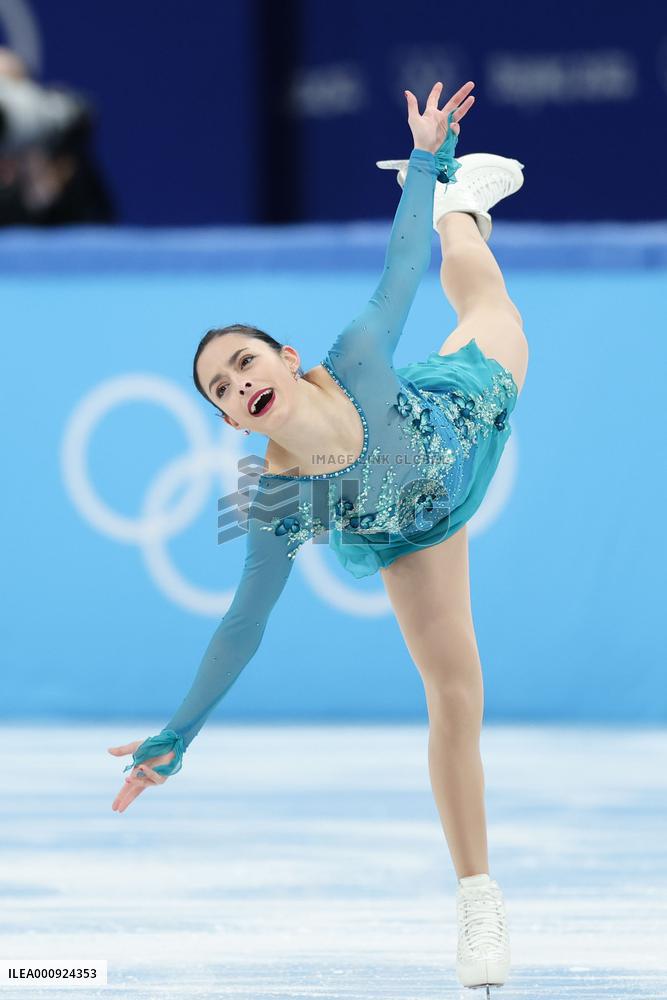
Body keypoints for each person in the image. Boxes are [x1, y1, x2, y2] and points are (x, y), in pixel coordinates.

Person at [108, 80, 529, 993]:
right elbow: (241, 626)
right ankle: (478, 899)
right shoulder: (276, 504)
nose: (238, 382)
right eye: (222, 388)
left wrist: (426, 166)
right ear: (229, 420)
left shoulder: (359, 353)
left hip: (460, 419)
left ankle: (464, 206)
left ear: (286, 360)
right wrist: (178, 735)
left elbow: (401, 266)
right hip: (411, 530)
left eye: (245, 362)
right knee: (455, 695)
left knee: (484, 298)